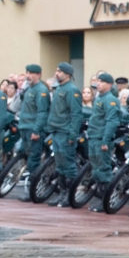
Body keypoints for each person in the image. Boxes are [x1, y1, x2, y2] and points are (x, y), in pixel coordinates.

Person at [45, 62, 83, 207]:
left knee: (68, 165)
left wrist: (73, 134)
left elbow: (76, 114)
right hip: (56, 130)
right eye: (56, 70)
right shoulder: (60, 88)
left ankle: (70, 195)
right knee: (60, 165)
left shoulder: (72, 90)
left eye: (59, 71)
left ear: (67, 74)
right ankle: (62, 194)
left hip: (65, 132)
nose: (56, 73)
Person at [86, 73, 120, 212]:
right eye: (98, 81)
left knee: (104, 170)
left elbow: (111, 122)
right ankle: (101, 199)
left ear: (109, 85)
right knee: (96, 170)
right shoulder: (99, 98)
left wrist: (105, 140)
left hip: (101, 139)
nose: (98, 84)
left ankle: (106, 201)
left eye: (102, 81)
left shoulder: (110, 100)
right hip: (94, 137)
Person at [17, 64, 50, 201]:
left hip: (33, 128)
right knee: (27, 156)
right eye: (27, 72)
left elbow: (42, 113)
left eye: (32, 73)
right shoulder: (29, 89)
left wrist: (36, 130)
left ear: (39, 75)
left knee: (34, 160)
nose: (28, 75)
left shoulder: (41, 90)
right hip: (25, 126)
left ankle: (33, 190)